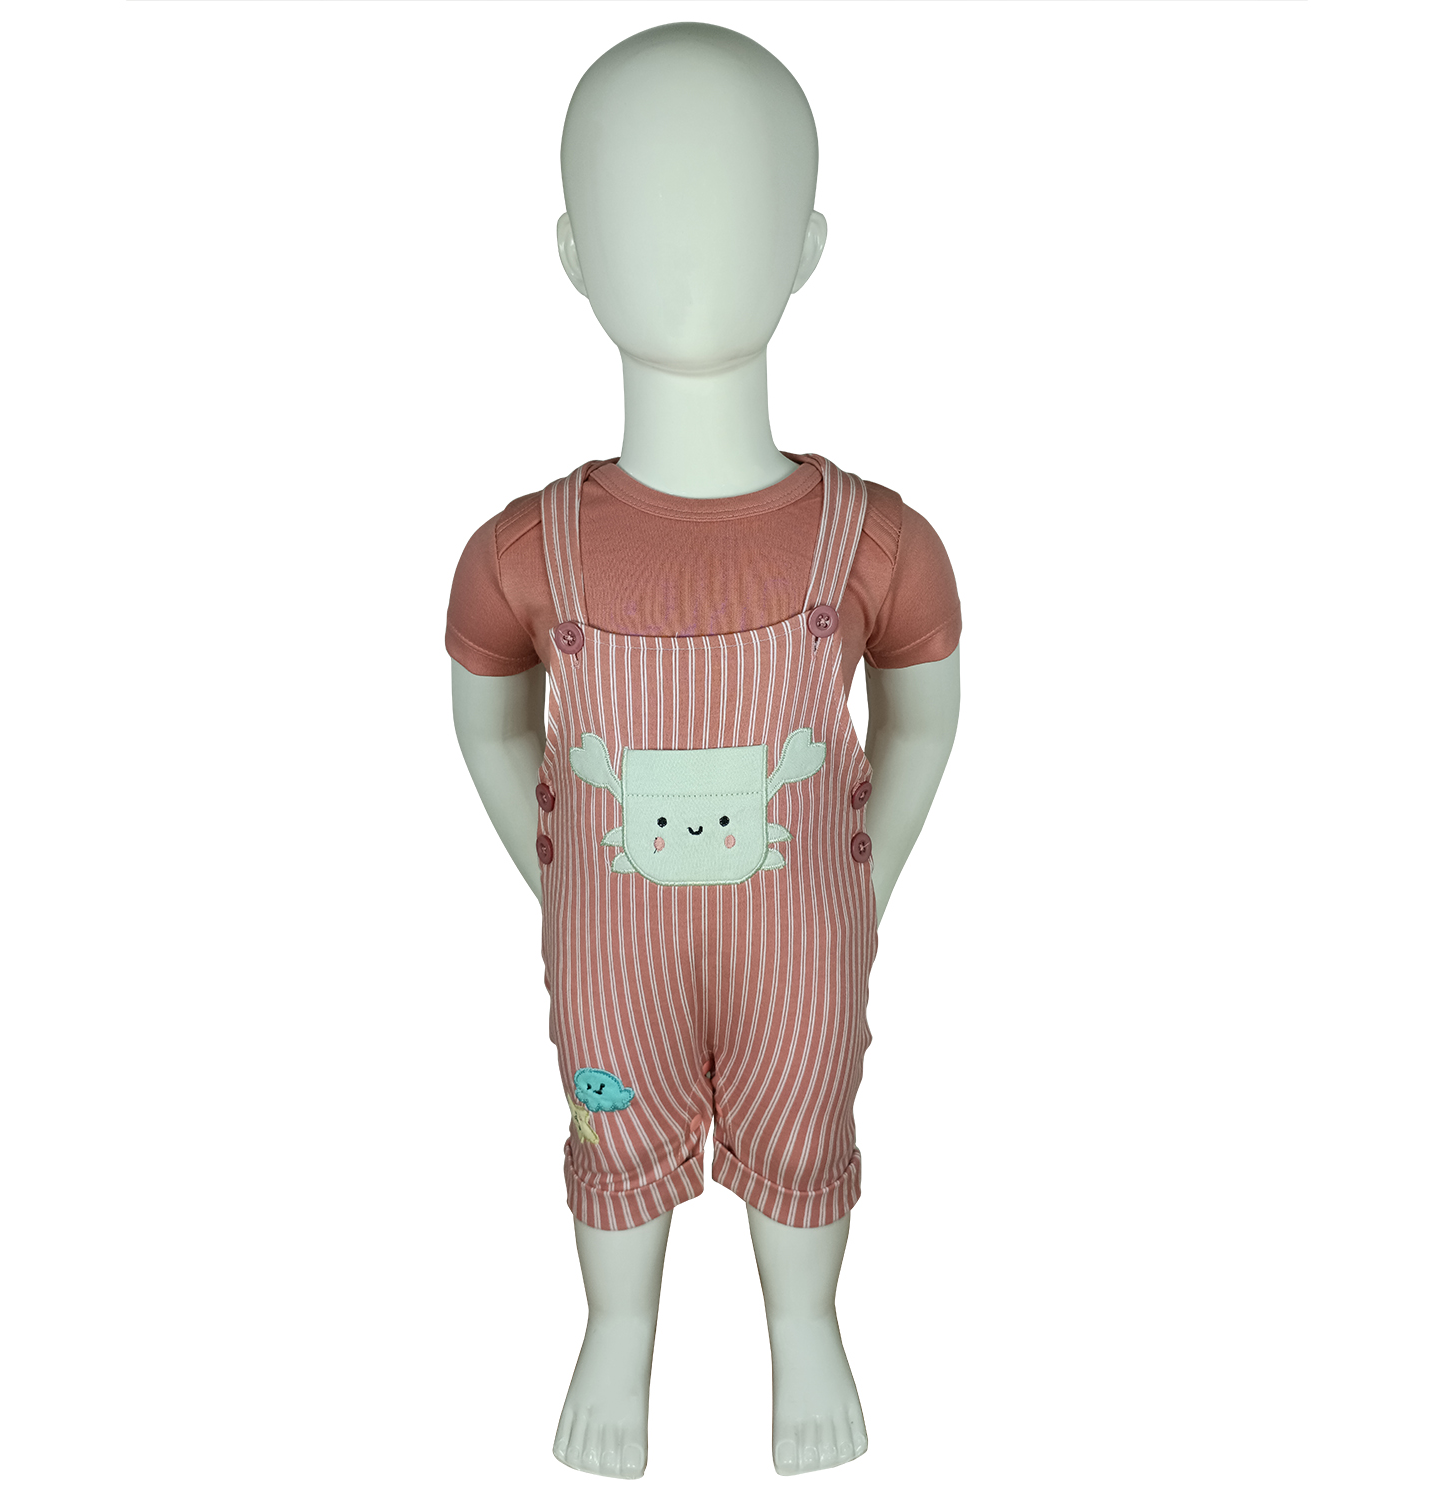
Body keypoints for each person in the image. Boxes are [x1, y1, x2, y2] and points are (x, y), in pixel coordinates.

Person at [447, 23, 959, 1478]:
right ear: (570, 252)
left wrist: (867, 882)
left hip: (805, 939)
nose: (689, 241)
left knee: (805, 1112)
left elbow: (925, 715)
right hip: (611, 943)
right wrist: (557, 879)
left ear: (806, 247)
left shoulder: (880, 540)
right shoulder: (519, 550)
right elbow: (487, 722)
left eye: (732, 201)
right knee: (612, 1119)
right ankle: (617, 1328)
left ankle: (807, 1321)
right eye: (640, 202)